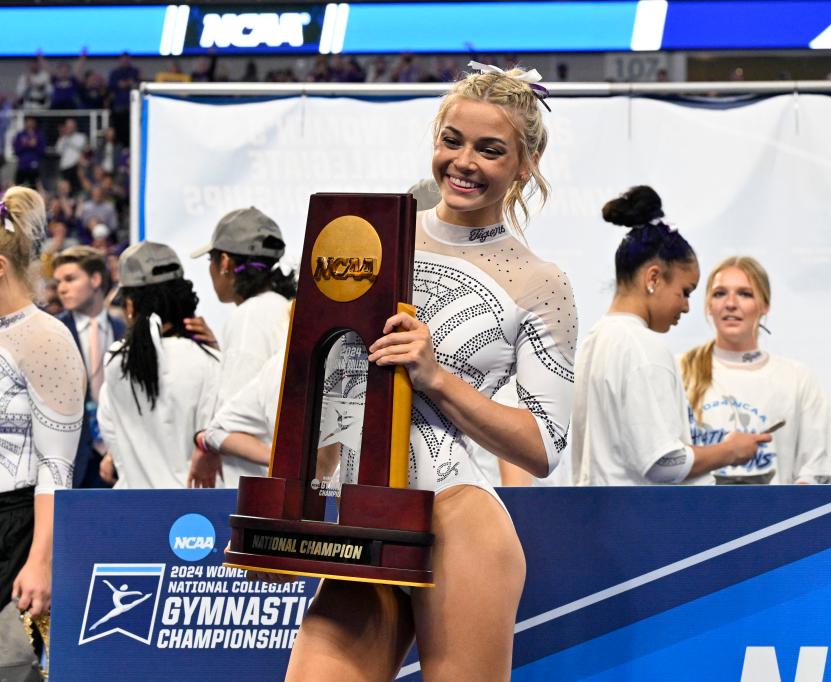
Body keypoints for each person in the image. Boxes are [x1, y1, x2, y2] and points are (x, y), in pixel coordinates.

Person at [267, 63, 576, 681]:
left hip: (458, 519)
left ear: (525, 165)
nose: (464, 162)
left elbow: (543, 448)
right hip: (361, 513)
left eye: (491, 150)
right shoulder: (368, 244)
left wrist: (435, 376)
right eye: (452, 140)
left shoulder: (542, 283)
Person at [571, 186, 769, 486]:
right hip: (641, 526)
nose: (687, 306)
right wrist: (730, 450)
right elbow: (663, 463)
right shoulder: (643, 346)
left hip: (604, 520)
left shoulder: (596, 340)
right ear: (653, 278)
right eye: (685, 291)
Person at [0, 187, 85, 676]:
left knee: (11, 666)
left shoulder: (46, 337)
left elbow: (56, 466)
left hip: (15, 531)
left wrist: (40, 560)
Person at [679, 256, 831, 485]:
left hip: (776, 518)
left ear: (764, 305)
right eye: (720, 293)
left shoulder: (797, 378)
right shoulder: (678, 370)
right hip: (690, 516)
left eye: (744, 294)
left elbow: (817, 468)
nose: (731, 303)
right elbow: (661, 460)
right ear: (709, 305)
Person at [96, 242, 220, 488]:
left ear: (130, 306)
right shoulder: (208, 362)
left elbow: (111, 433)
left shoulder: (115, 362)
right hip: (195, 516)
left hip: (136, 510)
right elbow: (218, 436)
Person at [188, 207, 295, 487]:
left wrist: (205, 444)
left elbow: (231, 421)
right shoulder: (281, 308)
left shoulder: (248, 318)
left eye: (210, 260)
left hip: (251, 484)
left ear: (224, 261)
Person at [52, 246, 124, 488]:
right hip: (72, 462)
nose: (61, 288)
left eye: (70, 279)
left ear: (95, 279)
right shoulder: (52, 333)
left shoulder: (126, 330)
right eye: (59, 281)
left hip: (121, 459)